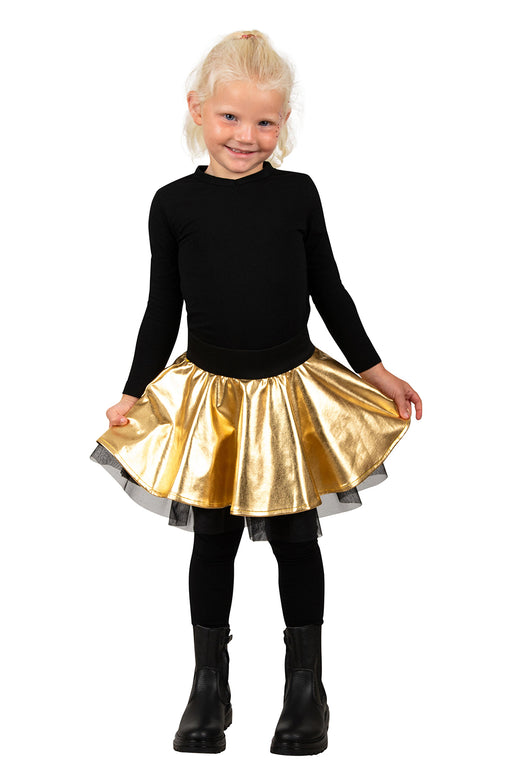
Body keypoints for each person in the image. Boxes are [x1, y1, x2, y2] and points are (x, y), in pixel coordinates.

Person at [90, 30, 422, 756]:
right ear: (198, 110)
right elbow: (162, 305)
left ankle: (307, 689)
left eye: (265, 122)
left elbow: (329, 289)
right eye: (230, 118)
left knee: (296, 538)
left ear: (284, 120)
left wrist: (375, 370)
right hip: (211, 400)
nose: (247, 136)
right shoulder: (173, 204)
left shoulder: (298, 194)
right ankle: (209, 685)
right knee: (214, 540)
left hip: (288, 395)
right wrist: (133, 390)